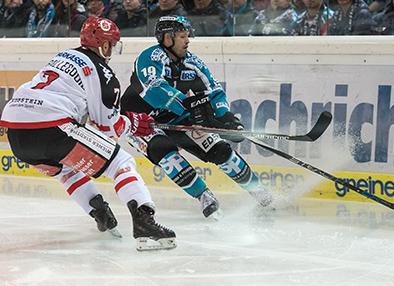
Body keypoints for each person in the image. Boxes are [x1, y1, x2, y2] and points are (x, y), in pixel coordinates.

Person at [0, 16, 176, 251]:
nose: (112, 49)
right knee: (121, 162)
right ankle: (145, 222)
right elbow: (107, 128)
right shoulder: (103, 73)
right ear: (103, 45)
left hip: (16, 134)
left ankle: (100, 213)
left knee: (67, 168)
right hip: (52, 126)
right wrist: (132, 122)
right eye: (111, 44)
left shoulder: (61, 56)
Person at [120, 15, 273, 219]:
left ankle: (260, 192)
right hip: (141, 120)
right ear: (167, 38)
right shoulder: (150, 57)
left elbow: (213, 89)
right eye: (182, 36)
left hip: (176, 116)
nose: (188, 40)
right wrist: (189, 107)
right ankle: (204, 197)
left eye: (187, 36)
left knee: (220, 150)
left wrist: (225, 116)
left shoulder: (192, 62)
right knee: (165, 153)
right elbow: (155, 89)